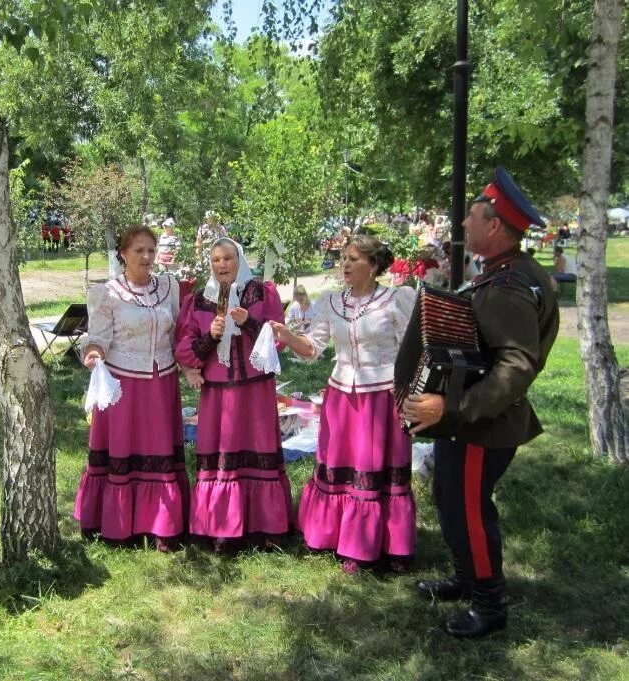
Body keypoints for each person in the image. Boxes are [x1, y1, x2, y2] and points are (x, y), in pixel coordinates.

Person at [402, 167, 558, 638]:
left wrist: (450, 409)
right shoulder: (502, 273)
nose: (463, 226)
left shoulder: (510, 286)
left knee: (468, 509)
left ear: (494, 226)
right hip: (469, 422)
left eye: (471, 218)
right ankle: (468, 578)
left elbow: (516, 366)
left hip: (480, 425)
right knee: (450, 500)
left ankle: (490, 604)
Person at [271, 234, 417, 574]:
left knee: (373, 467)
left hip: (381, 396)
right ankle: (335, 535)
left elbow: (413, 352)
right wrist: (287, 335)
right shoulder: (331, 302)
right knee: (340, 464)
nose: (345, 264)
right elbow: (311, 350)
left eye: (353, 258)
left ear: (374, 265)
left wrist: (410, 394)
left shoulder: (397, 299)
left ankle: (382, 542)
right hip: (341, 395)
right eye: (344, 258)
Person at [74, 226, 188, 551]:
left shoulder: (168, 287)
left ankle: (162, 524)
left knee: (160, 451)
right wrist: (94, 353)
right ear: (123, 254)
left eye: (151, 250)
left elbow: (179, 332)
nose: (147, 257)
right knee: (122, 451)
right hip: (122, 387)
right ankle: (118, 523)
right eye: (139, 250)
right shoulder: (107, 293)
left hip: (161, 383)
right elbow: (97, 336)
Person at [175, 237, 292, 551]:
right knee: (221, 453)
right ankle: (221, 525)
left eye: (228, 258)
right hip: (217, 392)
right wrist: (209, 338)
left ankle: (263, 526)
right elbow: (184, 345)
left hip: (255, 389)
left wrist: (251, 323)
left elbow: (278, 337)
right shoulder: (199, 300)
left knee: (257, 447)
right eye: (215, 260)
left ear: (239, 260)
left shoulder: (261, 292)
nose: (222, 265)